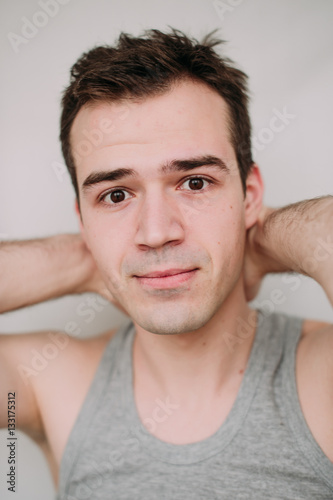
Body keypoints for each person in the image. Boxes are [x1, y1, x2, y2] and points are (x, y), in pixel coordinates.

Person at [0, 28, 332, 499]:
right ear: (82, 219)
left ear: (250, 195)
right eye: (115, 195)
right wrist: (86, 261)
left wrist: (261, 237)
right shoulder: (48, 384)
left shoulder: (321, 378)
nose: (156, 233)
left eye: (195, 183)